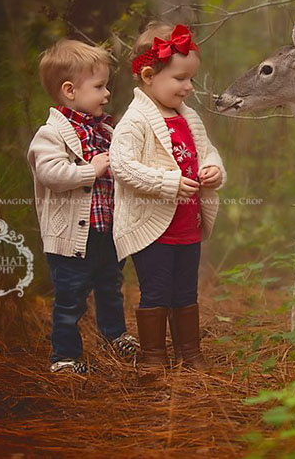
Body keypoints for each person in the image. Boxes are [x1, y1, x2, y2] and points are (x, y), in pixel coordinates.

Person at [110, 23, 225, 373]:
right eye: (180, 78)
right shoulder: (135, 121)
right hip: (153, 230)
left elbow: (208, 153)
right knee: (156, 292)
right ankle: (153, 358)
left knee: (186, 293)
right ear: (148, 75)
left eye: (191, 78)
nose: (188, 87)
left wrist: (214, 170)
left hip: (187, 226)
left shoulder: (189, 118)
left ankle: (190, 353)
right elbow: (121, 165)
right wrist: (167, 182)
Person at [27, 39, 139, 374]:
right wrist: (92, 169)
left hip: (107, 232)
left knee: (110, 289)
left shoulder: (105, 130)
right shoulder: (51, 135)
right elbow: (50, 173)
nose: (106, 94)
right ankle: (64, 357)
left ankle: (114, 336)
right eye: (99, 86)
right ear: (69, 90)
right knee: (69, 299)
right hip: (72, 239)